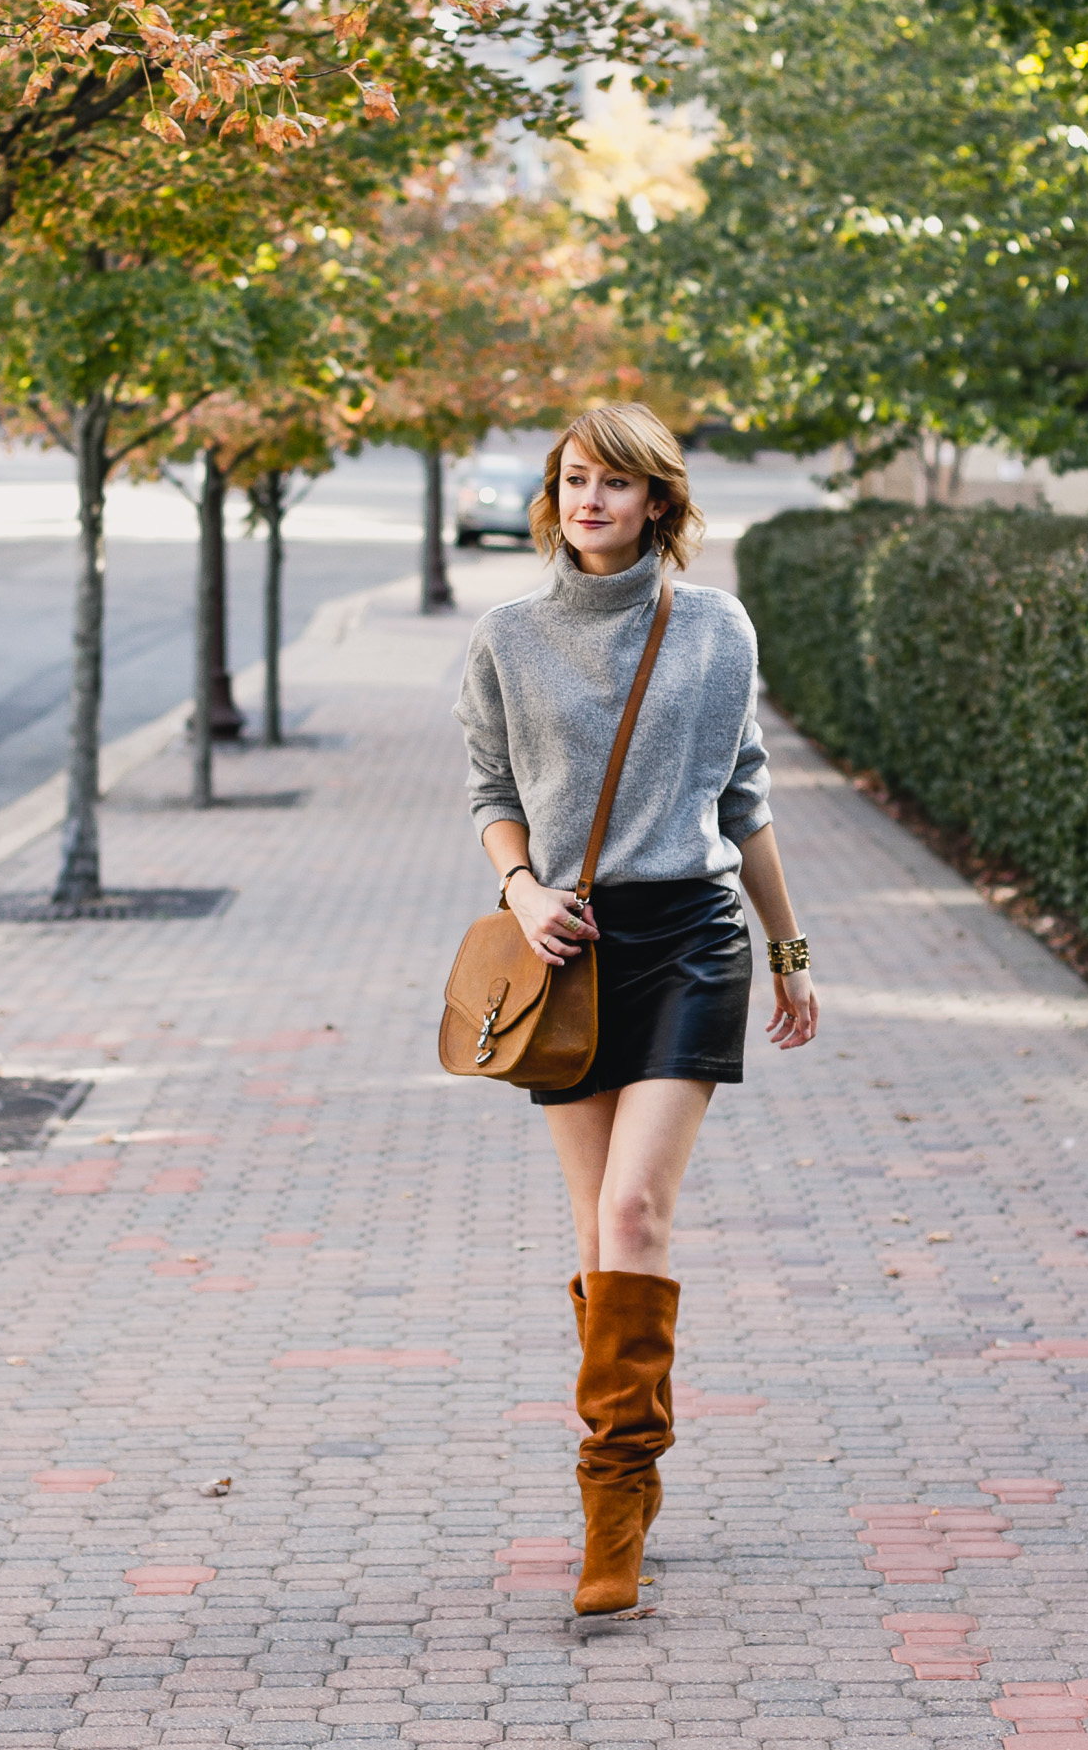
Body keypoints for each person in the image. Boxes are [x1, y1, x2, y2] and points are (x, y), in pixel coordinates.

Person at [454, 404, 818, 1615]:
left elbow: (744, 796)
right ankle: (629, 1486)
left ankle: (610, 1497)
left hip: (690, 938)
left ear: (658, 500)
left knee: (636, 1206)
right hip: (567, 947)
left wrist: (788, 949)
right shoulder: (508, 636)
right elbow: (492, 788)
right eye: (575, 480)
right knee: (595, 1235)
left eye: (617, 483)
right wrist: (523, 888)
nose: (592, 500)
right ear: (553, 497)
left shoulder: (714, 627)